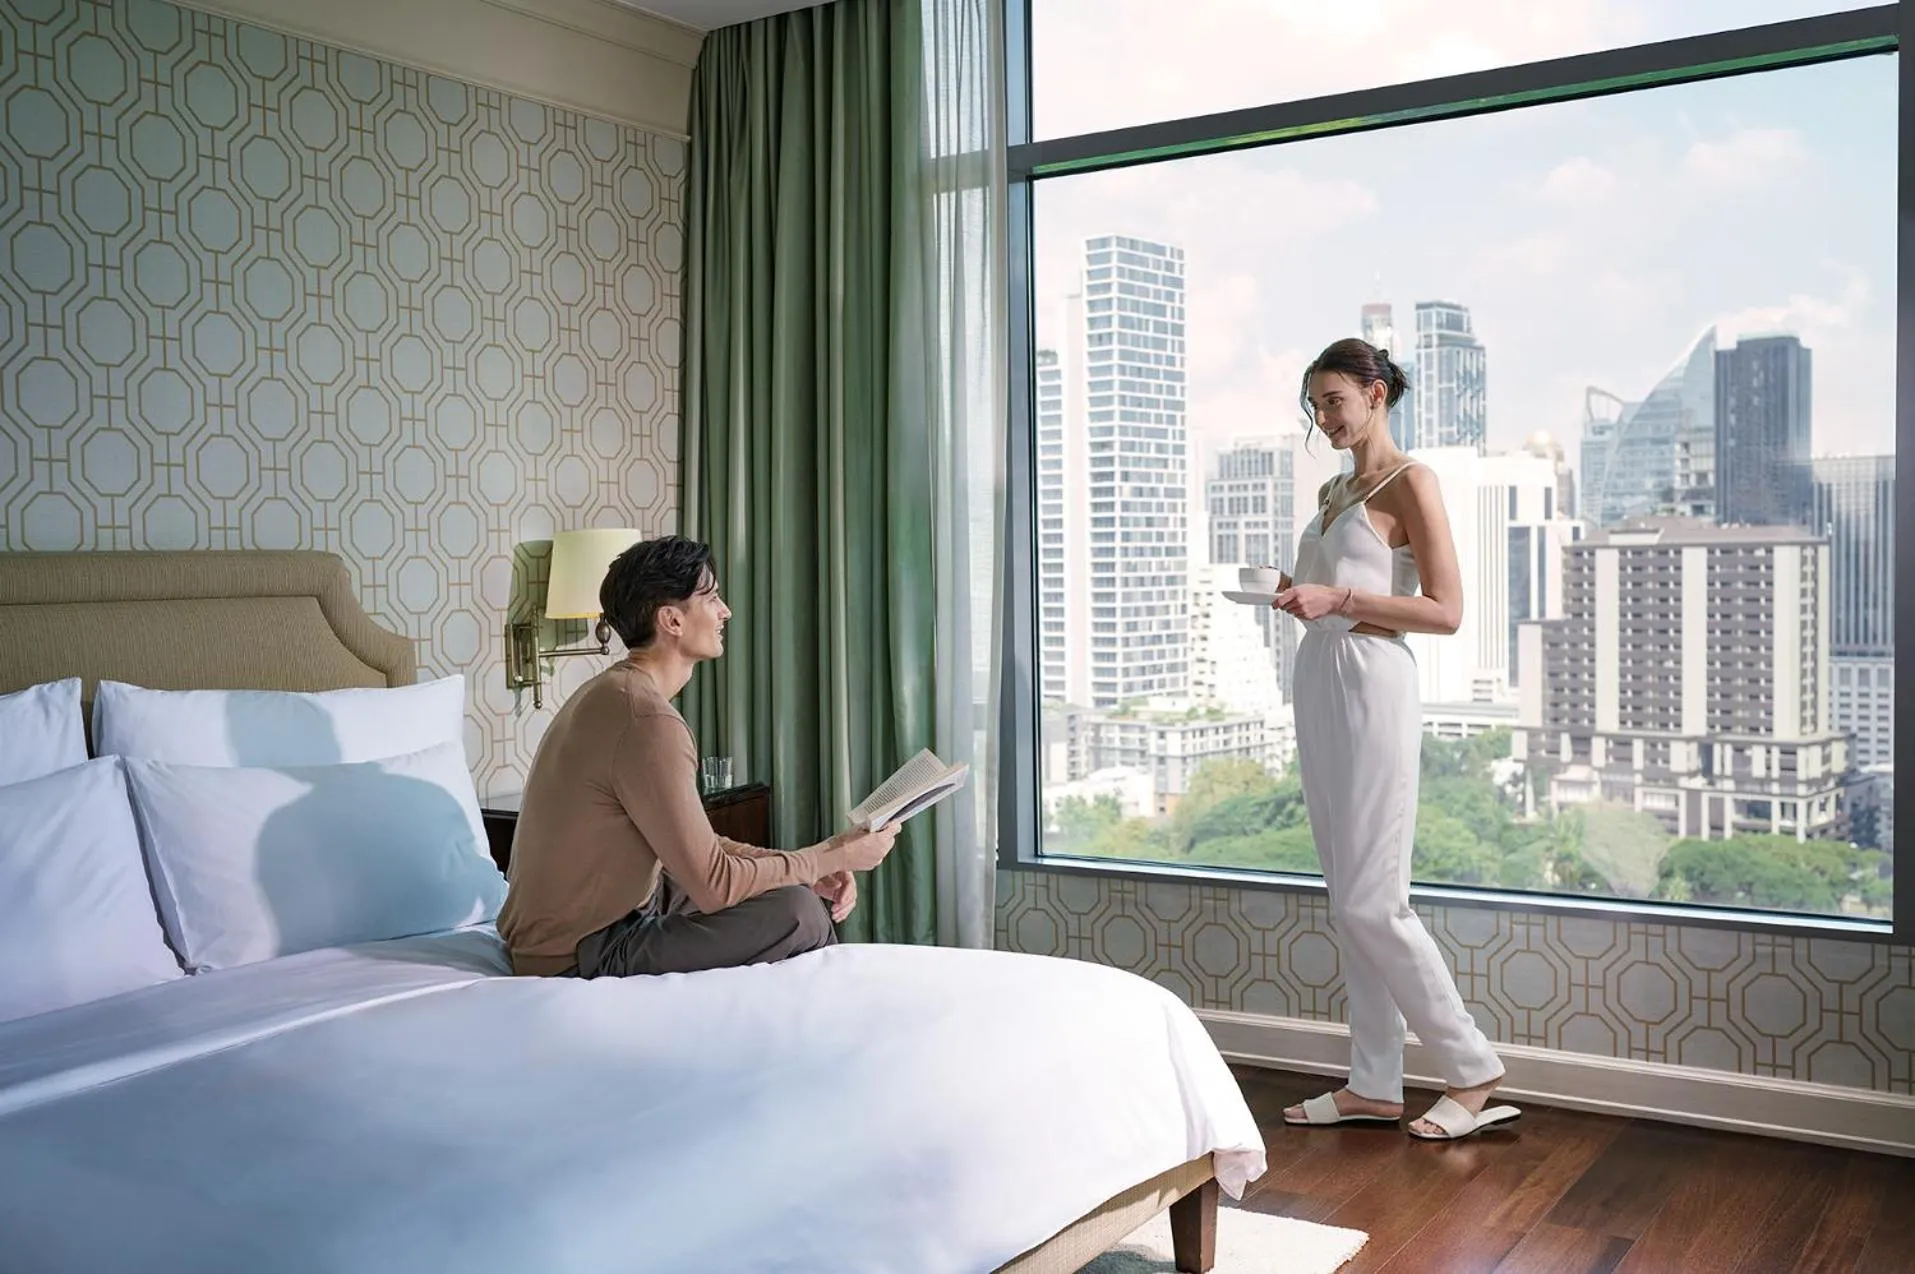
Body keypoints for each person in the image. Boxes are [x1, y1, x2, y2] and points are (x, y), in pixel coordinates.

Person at [1270, 338, 1520, 1142]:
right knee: (1348, 900)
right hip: (1318, 682)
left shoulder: (1411, 482)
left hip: (1374, 686)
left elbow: (1445, 611)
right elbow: (1336, 596)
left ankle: (1471, 1069)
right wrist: (1295, 595)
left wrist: (1337, 595)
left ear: (1375, 395)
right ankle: (1373, 1083)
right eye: (1313, 404)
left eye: (1334, 401)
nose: (1322, 417)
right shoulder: (1332, 487)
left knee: (1374, 897)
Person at [497, 534, 900, 978]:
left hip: (596, 920)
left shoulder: (613, 694)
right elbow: (714, 884)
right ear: (671, 620)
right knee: (798, 912)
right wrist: (832, 857)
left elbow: (700, 853)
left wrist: (805, 866)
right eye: (710, 597)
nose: (725, 610)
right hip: (577, 952)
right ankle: (813, 1028)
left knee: (792, 893)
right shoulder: (647, 720)